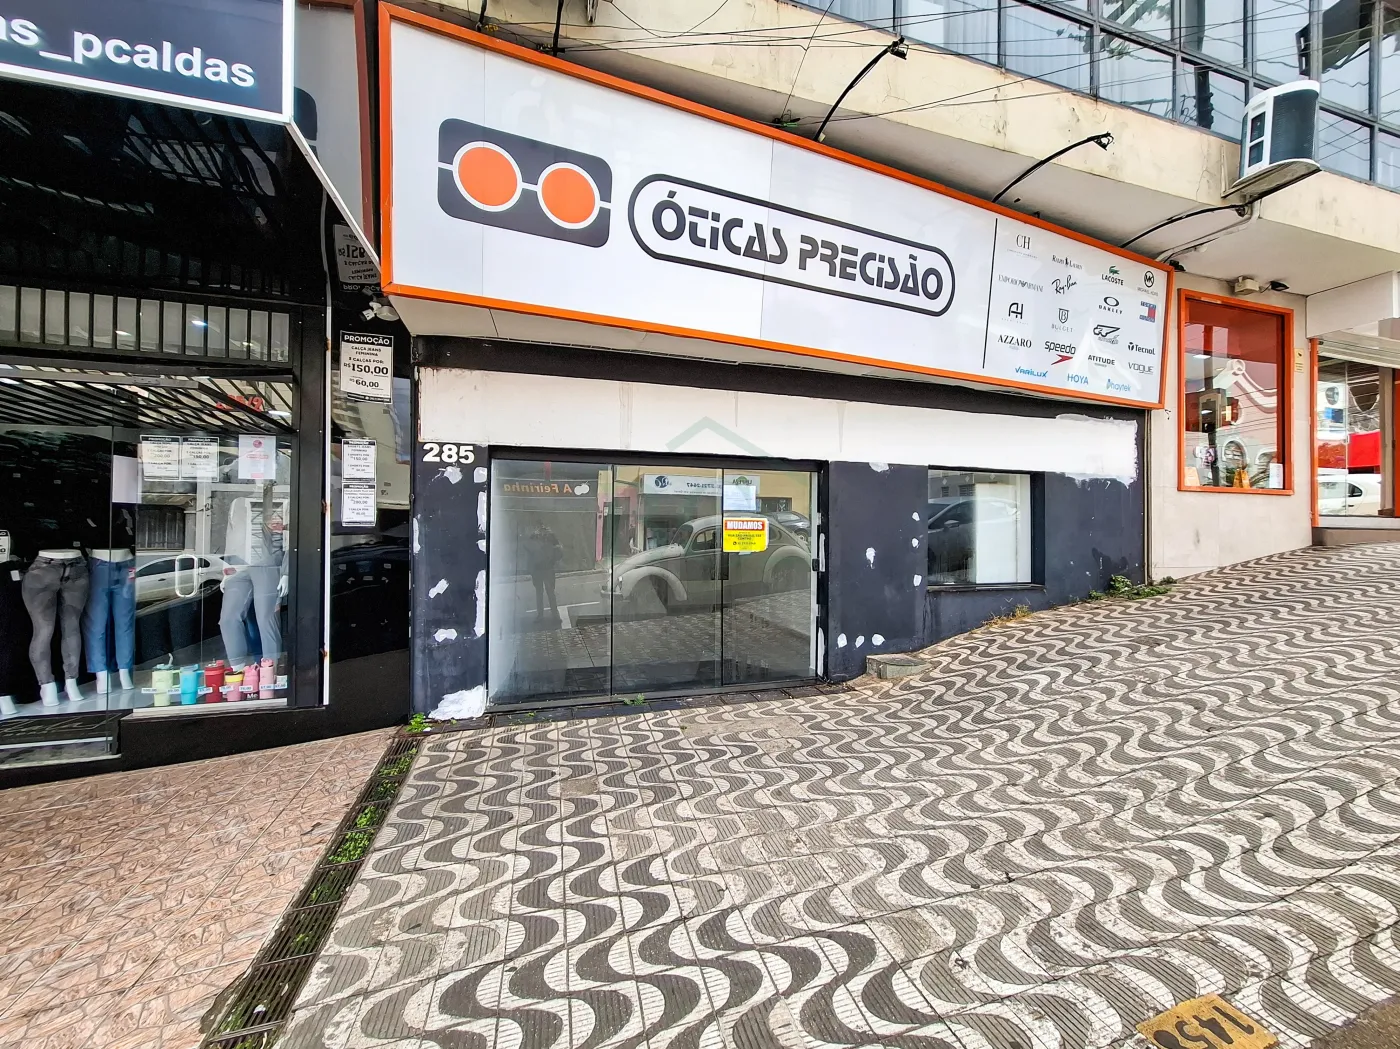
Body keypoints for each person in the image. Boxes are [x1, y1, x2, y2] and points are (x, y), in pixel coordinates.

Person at [523, 523, 562, 618]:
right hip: (542, 568)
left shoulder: (548, 535)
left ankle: (549, 614)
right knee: (544, 592)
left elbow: (558, 548)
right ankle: (550, 614)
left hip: (545, 568)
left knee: (545, 592)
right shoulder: (542, 535)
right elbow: (528, 548)